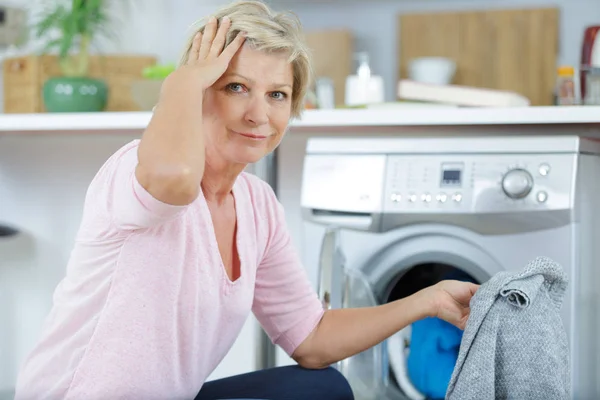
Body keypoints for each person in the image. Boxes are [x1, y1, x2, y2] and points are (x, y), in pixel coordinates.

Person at [14, 1, 479, 399]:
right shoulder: (138, 168)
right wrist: (179, 83)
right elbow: (176, 179)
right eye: (235, 87)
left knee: (323, 388)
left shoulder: (257, 204)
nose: (259, 114)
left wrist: (428, 301)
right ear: (199, 89)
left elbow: (311, 338)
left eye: (277, 94)